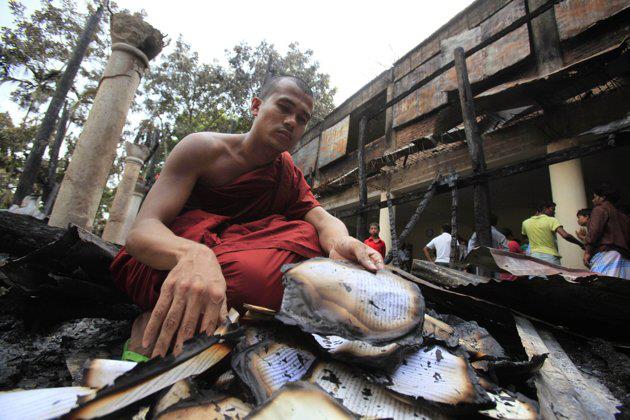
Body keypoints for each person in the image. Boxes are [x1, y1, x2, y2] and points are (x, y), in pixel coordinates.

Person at [110, 75, 385, 358]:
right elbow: (142, 231)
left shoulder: (286, 172)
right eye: (284, 107)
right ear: (256, 106)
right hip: (171, 259)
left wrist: (340, 241)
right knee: (255, 277)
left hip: (237, 254)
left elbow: (319, 217)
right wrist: (192, 254)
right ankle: (157, 319)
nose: (292, 121)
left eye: (302, 118)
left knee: (308, 238)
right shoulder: (202, 149)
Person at [584, 185, 630, 279]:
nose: (593, 200)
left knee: (602, 288)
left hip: (607, 255)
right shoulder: (624, 216)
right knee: (622, 290)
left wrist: (587, 251)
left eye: (595, 197)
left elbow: (594, 233)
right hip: (624, 257)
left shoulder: (599, 210)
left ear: (603, 198)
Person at [521, 201, 583, 265]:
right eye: (552, 209)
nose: (554, 212)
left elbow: (525, 238)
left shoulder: (525, 223)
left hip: (534, 257)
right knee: (555, 275)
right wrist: (581, 244)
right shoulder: (551, 220)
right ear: (545, 208)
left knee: (537, 275)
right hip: (550, 257)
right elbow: (566, 236)